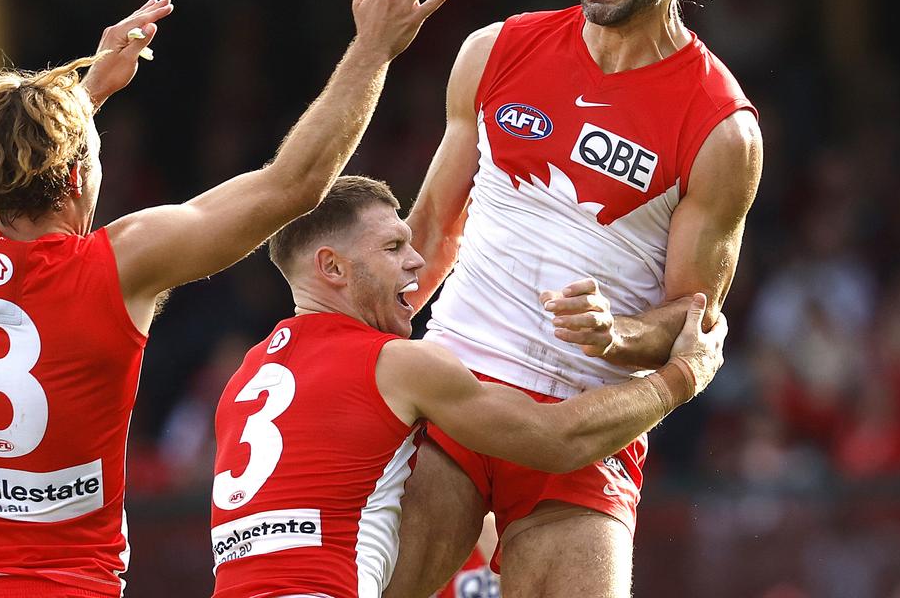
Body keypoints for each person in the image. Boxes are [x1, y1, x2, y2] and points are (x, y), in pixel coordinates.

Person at [0, 0, 452, 598]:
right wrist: (373, 49)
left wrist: (83, 99)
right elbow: (294, 184)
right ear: (77, 174)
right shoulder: (118, 265)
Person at [385, 0, 764, 598]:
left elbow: (695, 321)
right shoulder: (495, 51)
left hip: (585, 436)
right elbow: (426, 233)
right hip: (453, 394)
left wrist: (615, 335)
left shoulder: (722, 126)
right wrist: (354, 360)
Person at [209, 175, 727, 598]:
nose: (416, 261)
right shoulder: (394, 364)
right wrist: (680, 378)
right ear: (332, 267)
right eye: (393, 247)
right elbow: (556, 440)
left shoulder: (245, 378)